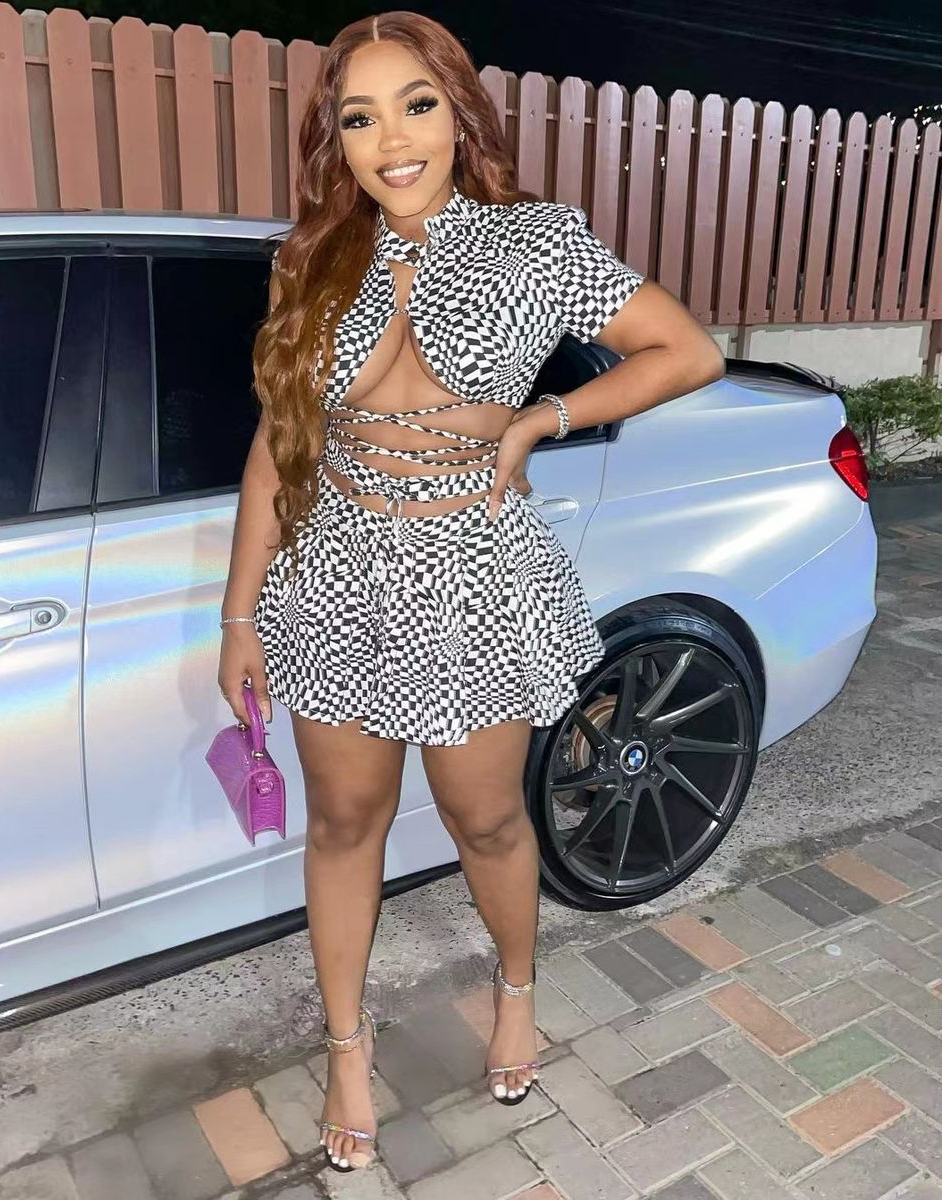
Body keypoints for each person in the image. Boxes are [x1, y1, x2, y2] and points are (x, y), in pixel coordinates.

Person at [218, 9, 724, 1174]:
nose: (391, 140)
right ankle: (346, 1050)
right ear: (334, 142)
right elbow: (276, 449)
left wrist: (542, 418)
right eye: (359, 118)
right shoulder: (311, 259)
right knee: (342, 823)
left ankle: (516, 987)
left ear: (461, 116)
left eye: (416, 105)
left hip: (472, 577)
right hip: (335, 577)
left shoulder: (532, 244)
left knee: (485, 818)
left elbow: (684, 351)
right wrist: (239, 612)